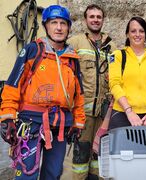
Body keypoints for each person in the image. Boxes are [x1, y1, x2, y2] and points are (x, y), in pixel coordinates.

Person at [0, 5, 85, 180]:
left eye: (63, 23)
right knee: (27, 173)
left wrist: (78, 123)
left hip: (60, 125)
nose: (59, 27)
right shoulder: (33, 50)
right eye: (54, 22)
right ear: (46, 26)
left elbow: (78, 95)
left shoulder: (72, 58)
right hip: (31, 123)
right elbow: (12, 85)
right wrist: (7, 118)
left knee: (53, 173)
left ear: (69, 27)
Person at [68, 4, 116, 180]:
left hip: (104, 114)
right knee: (81, 154)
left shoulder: (112, 46)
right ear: (85, 20)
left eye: (99, 17)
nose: (95, 20)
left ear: (103, 19)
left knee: (99, 154)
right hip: (82, 113)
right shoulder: (75, 42)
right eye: (92, 17)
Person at [108, 16, 146, 130]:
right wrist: (129, 111)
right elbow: (114, 84)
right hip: (122, 114)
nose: (137, 34)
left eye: (141, 31)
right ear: (127, 34)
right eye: (133, 31)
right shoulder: (117, 55)